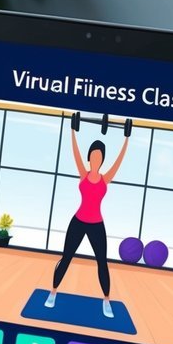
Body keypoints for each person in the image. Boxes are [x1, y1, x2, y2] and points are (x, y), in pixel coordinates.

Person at [47, 123, 130, 318]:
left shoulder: (105, 178)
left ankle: (107, 300)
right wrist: (72, 130)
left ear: (102, 160)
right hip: (78, 221)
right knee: (66, 257)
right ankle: (53, 292)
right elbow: (74, 151)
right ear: (89, 157)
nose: (96, 159)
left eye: (99, 157)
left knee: (102, 262)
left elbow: (119, 161)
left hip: (96, 224)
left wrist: (126, 138)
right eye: (93, 155)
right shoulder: (83, 175)